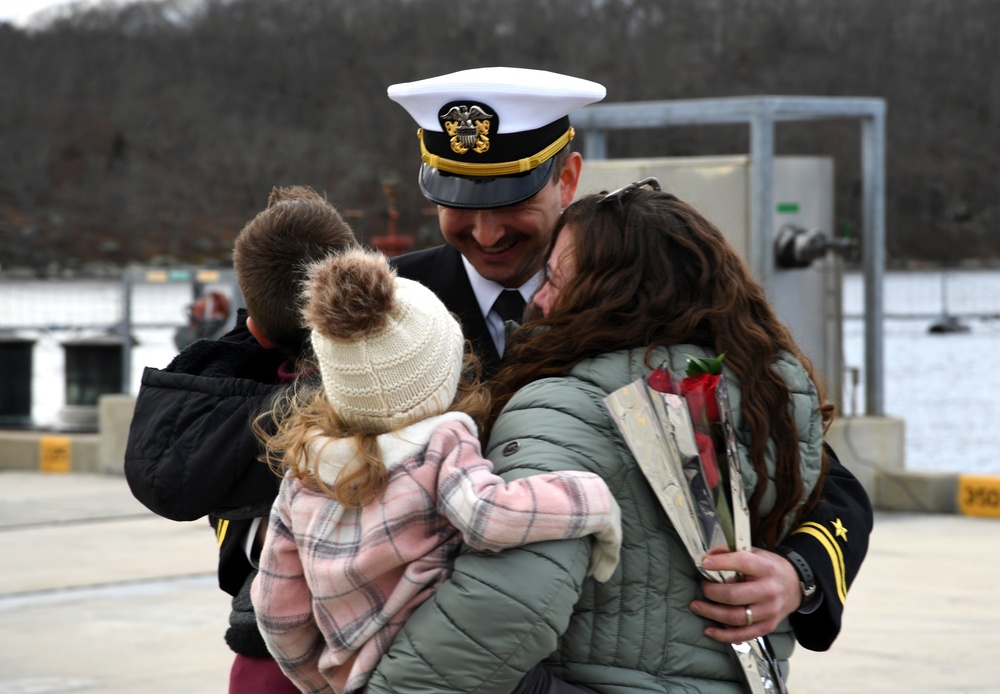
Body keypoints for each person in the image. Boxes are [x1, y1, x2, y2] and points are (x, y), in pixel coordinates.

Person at [386, 66, 872, 654]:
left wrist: (800, 575)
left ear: (567, 177)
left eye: (511, 201)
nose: (486, 233)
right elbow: (289, 441)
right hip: (441, 648)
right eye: (458, 203)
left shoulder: (648, 294)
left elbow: (811, 467)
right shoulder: (383, 301)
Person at [367, 178, 837, 692]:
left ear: (613, 294)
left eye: (556, 280)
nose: (539, 299)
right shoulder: (766, 395)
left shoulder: (564, 406)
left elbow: (510, 601)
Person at [250, 248, 621, 694]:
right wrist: (592, 499)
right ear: (446, 367)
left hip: (354, 677)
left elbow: (275, 608)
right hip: (438, 659)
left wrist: (320, 683)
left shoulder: (304, 469)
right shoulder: (443, 439)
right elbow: (490, 518)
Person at [123, 186, 358, 694]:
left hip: (266, 650)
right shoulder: (388, 393)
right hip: (376, 647)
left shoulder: (228, 409)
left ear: (255, 327)